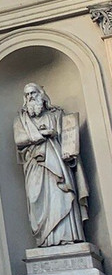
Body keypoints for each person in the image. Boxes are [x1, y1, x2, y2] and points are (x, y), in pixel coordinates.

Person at [13, 83, 89, 247]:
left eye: (33, 93)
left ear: (41, 95)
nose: (30, 97)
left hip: (58, 164)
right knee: (38, 200)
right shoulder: (21, 120)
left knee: (61, 195)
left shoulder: (56, 115)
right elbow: (19, 140)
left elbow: (68, 138)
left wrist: (68, 151)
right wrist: (42, 134)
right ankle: (47, 241)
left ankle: (68, 236)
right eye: (27, 95)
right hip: (35, 166)